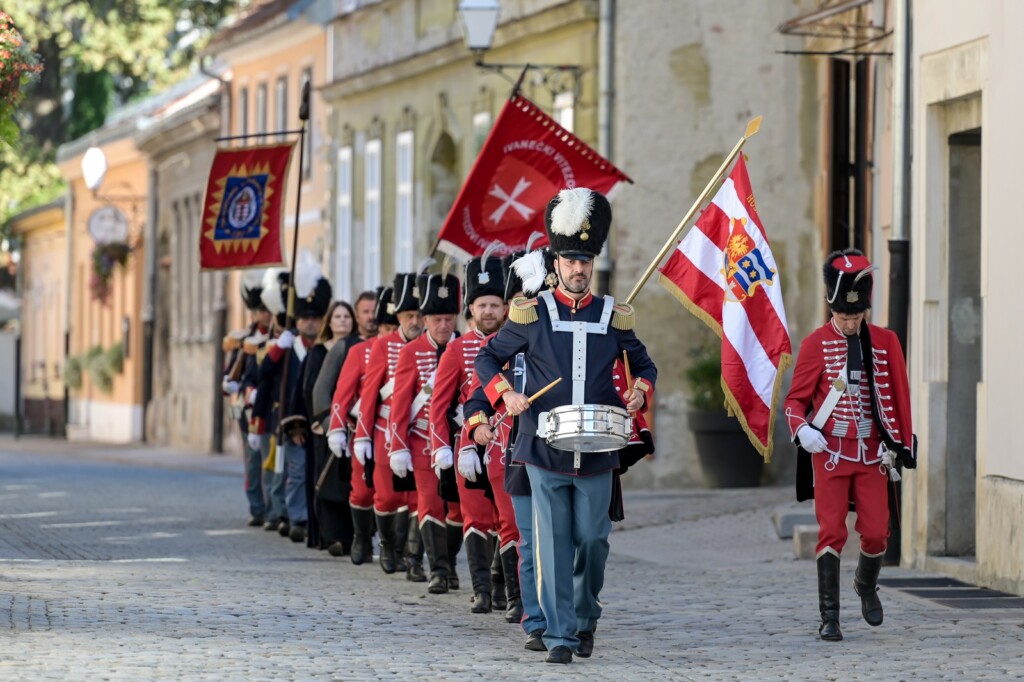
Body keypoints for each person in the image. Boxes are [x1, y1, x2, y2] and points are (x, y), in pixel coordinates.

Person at [474, 188, 657, 664]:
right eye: (570, 260)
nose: (578, 269)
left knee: (593, 540)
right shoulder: (531, 314)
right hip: (543, 448)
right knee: (551, 545)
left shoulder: (613, 315)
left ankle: (583, 617)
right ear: (555, 263)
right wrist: (506, 395)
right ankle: (559, 636)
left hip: (598, 446)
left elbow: (645, 365)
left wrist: (640, 391)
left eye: (586, 261)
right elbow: (487, 358)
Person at [784, 248, 916, 642]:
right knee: (831, 532)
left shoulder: (886, 342)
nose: (849, 322)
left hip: (872, 454)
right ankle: (830, 617)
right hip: (831, 454)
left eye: (856, 316)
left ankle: (865, 583)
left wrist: (901, 443)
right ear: (831, 307)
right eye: (843, 316)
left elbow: (900, 394)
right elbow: (795, 402)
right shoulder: (814, 344)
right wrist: (802, 430)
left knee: (877, 533)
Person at [428, 244, 514, 612]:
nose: (489, 311)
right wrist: (441, 447)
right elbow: (439, 403)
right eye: (482, 305)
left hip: (508, 443)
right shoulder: (457, 349)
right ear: (472, 309)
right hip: (467, 446)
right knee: (476, 517)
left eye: (495, 304)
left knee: (506, 520)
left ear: (505, 308)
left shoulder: (515, 344)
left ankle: (504, 589)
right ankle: (481, 590)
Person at [389, 262, 464, 595]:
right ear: (426, 319)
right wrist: (397, 446)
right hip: (422, 440)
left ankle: (449, 559)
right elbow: (401, 403)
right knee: (430, 503)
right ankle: (439, 570)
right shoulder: (411, 352)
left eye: (449, 319)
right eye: (437, 320)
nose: (444, 325)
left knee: (460, 510)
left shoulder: (468, 347)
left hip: (462, 440)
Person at [255, 250, 332, 544]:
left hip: (320, 420)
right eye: (305, 318)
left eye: (315, 318)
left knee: (316, 474)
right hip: (291, 419)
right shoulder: (288, 346)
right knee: (294, 472)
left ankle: (313, 518)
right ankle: (295, 516)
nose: (310, 323)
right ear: (297, 321)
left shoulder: (326, 348)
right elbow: (263, 373)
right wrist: (277, 348)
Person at [352, 272, 422, 575]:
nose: (415, 321)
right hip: (384, 429)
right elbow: (369, 396)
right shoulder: (383, 346)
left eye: (420, 314)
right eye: (409, 315)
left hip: (420, 429)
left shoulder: (433, 346)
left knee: (417, 497)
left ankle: (409, 553)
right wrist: (362, 436)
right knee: (387, 495)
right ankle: (385, 545)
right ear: (399, 315)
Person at [326, 287, 397, 566]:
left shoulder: (409, 350)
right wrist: (337, 427)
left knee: (395, 493)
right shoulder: (360, 351)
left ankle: (395, 547)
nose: (390, 331)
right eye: (386, 326)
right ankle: (361, 537)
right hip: (364, 430)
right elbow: (342, 394)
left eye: (394, 326)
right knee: (362, 490)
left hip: (400, 428)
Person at [301, 300, 357, 556]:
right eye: (338, 316)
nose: (343, 320)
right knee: (326, 482)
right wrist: (323, 421)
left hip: (354, 424)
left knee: (350, 483)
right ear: (330, 321)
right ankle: (328, 535)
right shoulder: (320, 351)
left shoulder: (358, 347)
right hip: (326, 425)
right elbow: (314, 389)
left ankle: (352, 536)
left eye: (347, 316)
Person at [222, 269, 271, 527]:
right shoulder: (244, 340)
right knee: (252, 459)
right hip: (248, 406)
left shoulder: (275, 337)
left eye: (268, 310)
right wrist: (230, 383)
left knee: (271, 458)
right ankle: (256, 505)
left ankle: (272, 505)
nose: (265, 315)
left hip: (268, 401)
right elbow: (233, 370)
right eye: (261, 310)